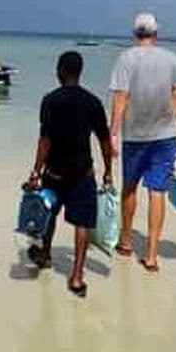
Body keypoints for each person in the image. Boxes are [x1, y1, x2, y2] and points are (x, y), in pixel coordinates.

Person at [23, 51, 112, 298]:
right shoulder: (92, 102)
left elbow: (45, 140)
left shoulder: (50, 101)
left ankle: (44, 255)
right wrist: (108, 172)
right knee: (82, 224)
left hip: (54, 173)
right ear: (79, 72)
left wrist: (35, 172)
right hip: (83, 173)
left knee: (48, 215)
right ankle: (77, 277)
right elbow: (105, 140)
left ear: (61, 71)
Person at [109, 12, 176, 272]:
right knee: (157, 192)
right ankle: (152, 255)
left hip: (134, 136)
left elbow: (121, 97)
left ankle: (126, 241)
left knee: (129, 188)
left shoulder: (125, 58)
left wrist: (112, 132)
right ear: (156, 34)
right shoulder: (171, 58)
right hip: (165, 136)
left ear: (135, 34)